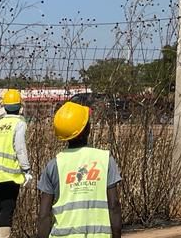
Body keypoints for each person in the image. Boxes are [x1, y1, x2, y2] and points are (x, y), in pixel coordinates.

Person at [37, 101, 122, 238]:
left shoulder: (54, 165)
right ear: (86, 130)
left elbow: (44, 215)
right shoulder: (105, 160)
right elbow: (114, 206)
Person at [0, 89, 32, 238]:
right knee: (7, 210)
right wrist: (26, 169)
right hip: (10, 175)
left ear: (4, 107)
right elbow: (20, 148)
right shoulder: (19, 124)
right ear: (20, 107)